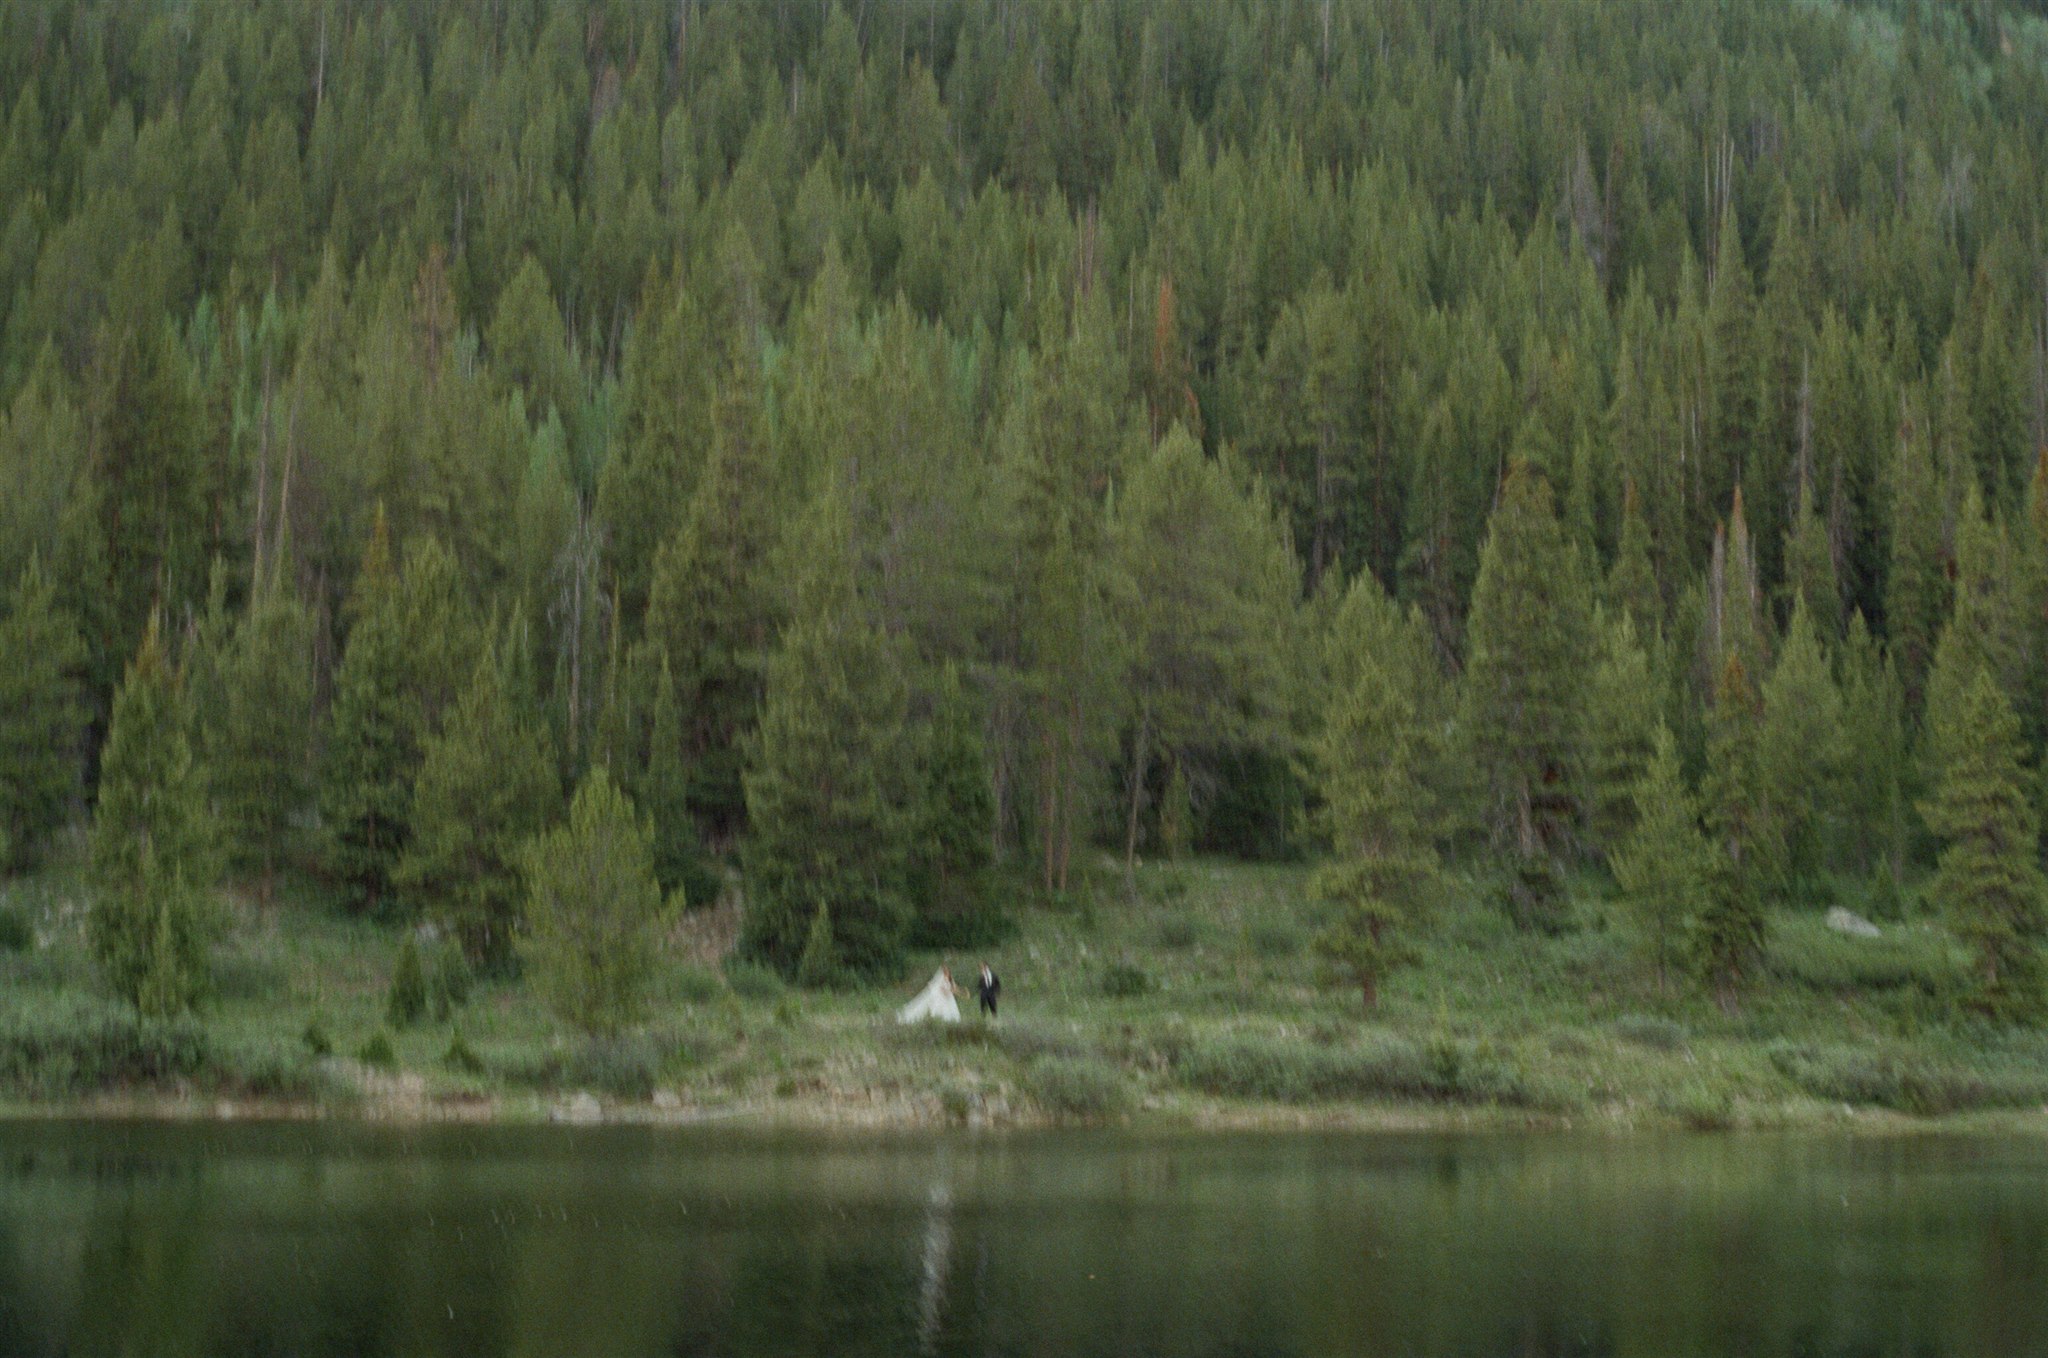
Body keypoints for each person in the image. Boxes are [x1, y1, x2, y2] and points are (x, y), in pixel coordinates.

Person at [897, 965, 963, 1024]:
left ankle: (952, 1022)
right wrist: (949, 991)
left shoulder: (950, 979)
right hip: (943, 997)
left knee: (952, 1010)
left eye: (947, 971)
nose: (946, 972)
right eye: (945, 971)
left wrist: (958, 991)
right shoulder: (941, 979)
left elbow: (954, 987)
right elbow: (943, 989)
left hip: (949, 998)